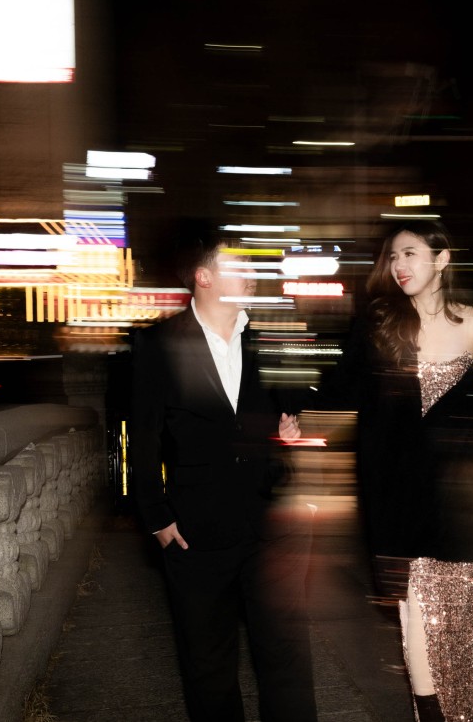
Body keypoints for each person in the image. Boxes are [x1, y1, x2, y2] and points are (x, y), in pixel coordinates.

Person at [299, 219, 473, 722]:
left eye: (410, 253)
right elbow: (340, 387)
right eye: (393, 256)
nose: (398, 265)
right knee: (417, 626)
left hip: (450, 503)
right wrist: (293, 412)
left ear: (442, 258)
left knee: (461, 634)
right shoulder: (380, 324)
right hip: (394, 496)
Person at [129, 219, 317, 722]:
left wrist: (292, 426)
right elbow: (142, 437)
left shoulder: (269, 337)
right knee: (208, 664)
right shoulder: (158, 345)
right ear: (204, 276)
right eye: (239, 265)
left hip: (273, 524)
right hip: (196, 530)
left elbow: (300, 401)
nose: (251, 274)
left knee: (287, 656)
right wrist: (156, 516)